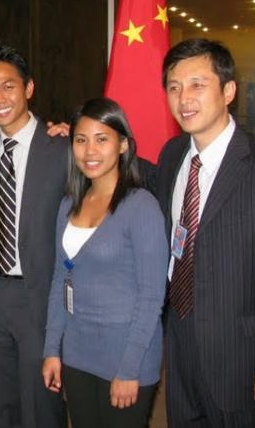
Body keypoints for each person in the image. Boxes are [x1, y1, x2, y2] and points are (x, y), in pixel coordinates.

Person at [156, 38, 255, 427]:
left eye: (197, 84)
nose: (183, 98)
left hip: (242, 354)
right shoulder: (172, 155)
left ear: (228, 91)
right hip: (180, 337)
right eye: (174, 87)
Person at [41, 98, 167, 427]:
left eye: (102, 139)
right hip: (78, 350)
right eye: (81, 140)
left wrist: (129, 369)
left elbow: (152, 297)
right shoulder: (69, 203)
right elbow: (59, 281)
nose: (90, 151)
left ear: (123, 145)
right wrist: (52, 349)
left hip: (125, 353)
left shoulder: (142, 207)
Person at [0, 45, 68, 428]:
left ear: (29, 88)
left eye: (8, 86)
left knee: (42, 406)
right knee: (0, 405)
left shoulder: (62, 147)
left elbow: (124, 167)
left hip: (40, 296)